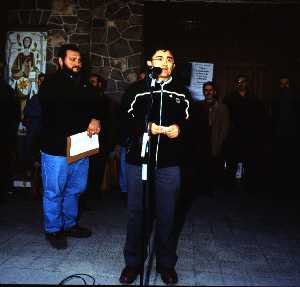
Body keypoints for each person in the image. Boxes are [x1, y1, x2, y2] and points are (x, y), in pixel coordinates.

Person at [119, 47, 191, 285]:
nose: (165, 62)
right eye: (160, 58)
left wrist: (180, 129)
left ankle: (166, 264)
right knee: (136, 214)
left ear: (174, 66)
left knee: (168, 215)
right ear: (150, 63)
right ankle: (133, 263)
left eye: (170, 59)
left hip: (170, 165)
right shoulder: (137, 90)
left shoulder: (182, 93)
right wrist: (145, 127)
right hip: (138, 162)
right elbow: (122, 123)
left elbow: (194, 126)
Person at [38, 44, 102, 250]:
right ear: (60, 61)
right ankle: (53, 229)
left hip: (81, 145)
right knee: (54, 190)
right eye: (72, 59)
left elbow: (97, 103)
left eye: (79, 60)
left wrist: (95, 117)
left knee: (76, 189)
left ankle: (69, 224)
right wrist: (86, 115)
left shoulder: (84, 83)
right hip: (56, 148)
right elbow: (62, 110)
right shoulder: (50, 83)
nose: (77, 63)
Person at [223, 75, 267, 194]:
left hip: (249, 136)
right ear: (236, 84)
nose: (240, 84)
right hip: (234, 135)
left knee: (249, 161)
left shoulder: (253, 98)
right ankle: (228, 188)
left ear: (247, 83)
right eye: (238, 82)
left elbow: (260, 118)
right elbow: (224, 116)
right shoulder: (229, 98)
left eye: (243, 82)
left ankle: (250, 188)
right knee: (232, 161)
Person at [79, 73, 108, 211]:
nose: (91, 84)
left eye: (94, 82)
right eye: (89, 81)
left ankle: (92, 196)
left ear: (100, 84)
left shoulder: (105, 101)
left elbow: (109, 123)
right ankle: (82, 200)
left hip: (100, 142)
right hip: (84, 140)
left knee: (96, 170)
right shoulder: (83, 99)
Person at [22, 72, 45, 197]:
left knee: (42, 164)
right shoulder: (34, 98)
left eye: (43, 81)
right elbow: (26, 115)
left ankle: (40, 188)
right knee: (34, 162)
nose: (41, 83)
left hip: (43, 136)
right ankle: (34, 189)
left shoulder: (49, 99)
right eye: (39, 81)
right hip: (33, 135)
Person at [0, 61, 20, 203]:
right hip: (6, 132)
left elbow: (15, 113)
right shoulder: (8, 90)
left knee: (4, 160)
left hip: (4, 132)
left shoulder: (7, 91)